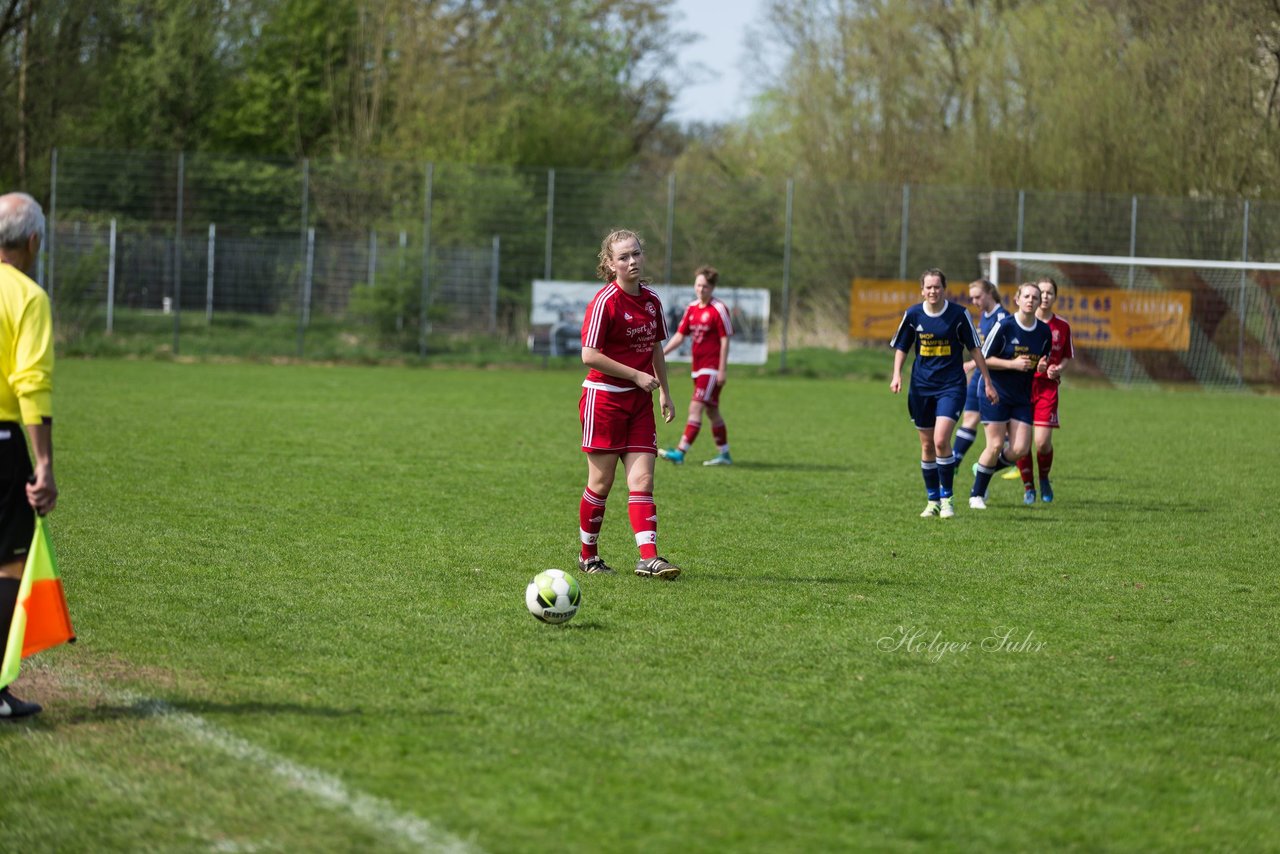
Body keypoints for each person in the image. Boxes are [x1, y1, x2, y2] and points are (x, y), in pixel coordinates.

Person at [576, 229, 681, 580]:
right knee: (601, 483)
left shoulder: (651, 301)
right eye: (623, 257)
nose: (632, 261)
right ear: (610, 263)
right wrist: (635, 376)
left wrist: (664, 391)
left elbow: (655, 348)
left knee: (643, 479)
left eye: (636, 254)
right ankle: (588, 556)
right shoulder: (605, 301)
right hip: (603, 401)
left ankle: (648, 558)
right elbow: (589, 355)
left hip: (640, 404)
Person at [0, 192, 57, 719]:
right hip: (0, 441)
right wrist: (44, 465)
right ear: (33, 240)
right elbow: (31, 386)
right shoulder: (27, 297)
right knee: (10, 561)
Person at [890, 268, 998, 518]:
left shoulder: (958, 315)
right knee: (927, 445)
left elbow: (975, 349)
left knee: (940, 440)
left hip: (951, 386)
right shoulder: (913, 314)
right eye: (928, 287)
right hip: (920, 387)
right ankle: (932, 500)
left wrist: (988, 382)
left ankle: (947, 498)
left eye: (937, 287)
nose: (932, 291)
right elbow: (902, 347)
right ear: (922, 290)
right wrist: (897, 374)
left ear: (944, 288)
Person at [969, 282, 1052, 509]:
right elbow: (984, 359)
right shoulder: (1004, 326)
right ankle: (976, 494)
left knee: (1020, 449)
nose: (1031, 300)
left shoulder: (1044, 332)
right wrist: (1012, 364)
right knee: (995, 445)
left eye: (1035, 297)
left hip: (1022, 396)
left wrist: (1043, 368)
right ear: (1017, 299)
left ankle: (983, 471)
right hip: (995, 391)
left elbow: (1039, 364)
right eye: (1026, 296)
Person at [658, 265, 734, 466]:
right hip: (697, 368)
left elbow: (725, 340)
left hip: (711, 369)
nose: (701, 290)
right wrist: (661, 353)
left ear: (712, 288)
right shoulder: (691, 308)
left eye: (706, 287)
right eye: (699, 285)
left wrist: (722, 369)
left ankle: (680, 453)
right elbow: (681, 336)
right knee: (712, 411)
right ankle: (724, 455)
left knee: (695, 408)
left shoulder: (718, 309)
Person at [1012, 276, 1074, 503]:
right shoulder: (1020, 323)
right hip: (1021, 386)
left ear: (1054, 297)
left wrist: (1058, 368)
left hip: (1047, 388)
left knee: (1042, 442)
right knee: (1022, 443)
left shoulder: (1062, 326)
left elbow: (1067, 356)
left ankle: (1044, 478)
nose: (1045, 297)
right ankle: (1028, 486)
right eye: (1041, 292)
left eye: (1049, 293)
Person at [952, 279, 1008, 465]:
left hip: (996, 379)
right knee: (969, 417)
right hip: (979, 376)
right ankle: (954, 463)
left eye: (978, 297)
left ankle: (1014, 462)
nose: (974, 301)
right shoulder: (985, 315)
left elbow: (997, 353)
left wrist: (972, 364)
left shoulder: (1002, 318)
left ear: (989, 293)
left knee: (1001, 430)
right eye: (972, 298)